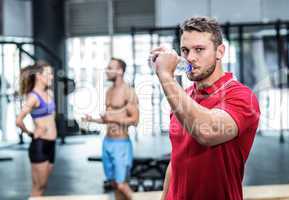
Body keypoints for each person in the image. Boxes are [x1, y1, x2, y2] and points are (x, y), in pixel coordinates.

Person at [151, 17, 260, 200]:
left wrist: (165, 76)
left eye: (199, 50)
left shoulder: (242, 96)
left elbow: (207, 132)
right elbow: (176, 159)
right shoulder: (182, 96)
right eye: (185, 50)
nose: (190, 58)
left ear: (220, 51)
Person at [82, 58, 139, 200]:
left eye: (110, 68)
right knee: (114, 183)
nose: (107, 71)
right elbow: (108, 117)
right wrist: (92, 120)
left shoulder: (128, 92)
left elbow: (135, 120)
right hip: (107, 142)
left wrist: (112, 119)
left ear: (120, 71)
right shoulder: (109, 91)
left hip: (121, 145)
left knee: (121, 184)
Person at [16, 61, 56, 197]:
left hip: (52, 144)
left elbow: (50, 118)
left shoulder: (49, 92)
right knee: (38, 188)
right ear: (39, 76)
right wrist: (31, 133)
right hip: (40, 144)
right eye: (48, 74)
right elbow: (18, 120)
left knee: (43, 186)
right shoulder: (33, 97)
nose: (52, 76)